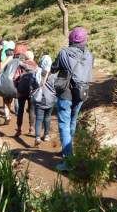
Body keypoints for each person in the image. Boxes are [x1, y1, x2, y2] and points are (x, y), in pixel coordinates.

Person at [52, 26, 94, 172]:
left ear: (71, 39)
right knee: (73, 120)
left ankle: (68, 161)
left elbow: (54, 67)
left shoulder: (64, 52)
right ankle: (68, 149)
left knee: (64, 123)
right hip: (82, 92)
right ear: (85, 39)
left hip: (66, 93)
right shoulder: (89, 54)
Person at [32, 55, 56, 146]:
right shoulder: (53, 75)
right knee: (48, 117)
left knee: (38, 118)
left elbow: (32, 84)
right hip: (50, 99)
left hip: (39, 98)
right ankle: (46, 135)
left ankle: (37, 137)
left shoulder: (36, 72)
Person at [15, 50, 38, 137]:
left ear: (25, 57)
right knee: (32, 110)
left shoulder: (21, 65)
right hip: (32, 91)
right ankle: (31, 128)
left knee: (20, 109)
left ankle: (19, 129)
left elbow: (16, 77)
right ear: (32, 57)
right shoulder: (36, 66)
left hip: (21, 90)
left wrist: (17, 88)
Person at [0, 40, 16, 123]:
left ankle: (7, 116)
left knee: (5, 101)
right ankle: (10, 110)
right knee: (11, 99)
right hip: (13, 83)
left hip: (4, 83)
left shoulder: (2, 63)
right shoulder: (15, 61)